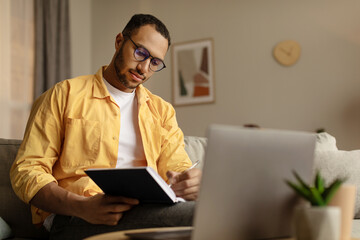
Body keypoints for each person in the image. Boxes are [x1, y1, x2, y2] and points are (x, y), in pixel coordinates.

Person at [10, 14, 202, 239]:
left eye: (155, 62)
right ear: (119, 41)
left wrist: (189, 182)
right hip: (74, 216)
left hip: (142, 212)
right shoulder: (64, 95)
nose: (144, 68)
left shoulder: (161, 111)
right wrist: (80, 206)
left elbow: (177, 168)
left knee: (212, 212)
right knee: (201, 217)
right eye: (140, 52)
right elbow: (27, 170)